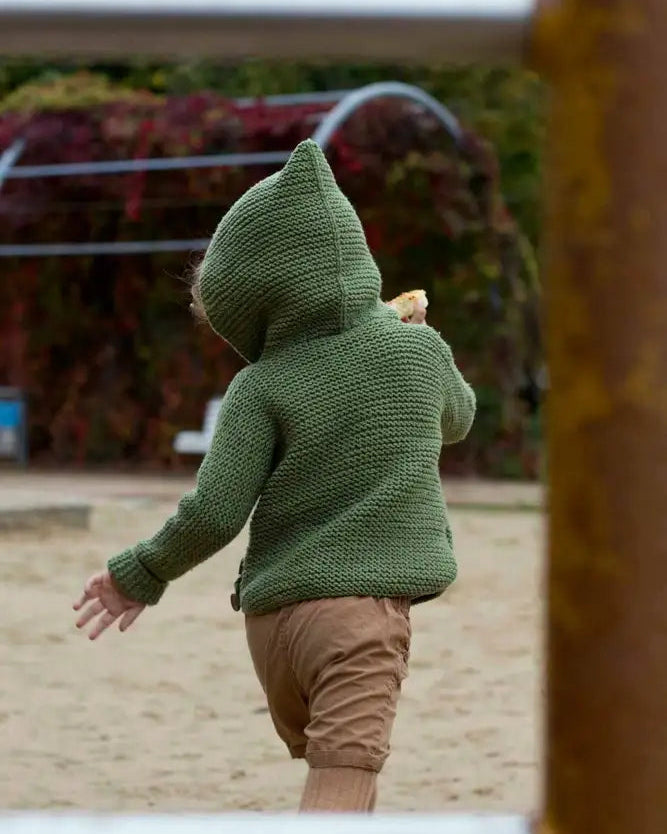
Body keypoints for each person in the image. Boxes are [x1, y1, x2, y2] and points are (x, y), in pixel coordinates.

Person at [73, 139, 476, 813]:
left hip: (271, 627)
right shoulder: (417, 349)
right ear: (354, 256)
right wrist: (421, 339)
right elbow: (456, 419)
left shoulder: (259, 386)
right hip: (359, 618)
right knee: (342, 783)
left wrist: (140, 571)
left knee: (343, 776)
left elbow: (214, 512)